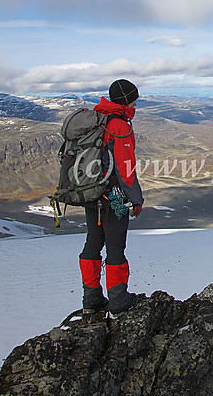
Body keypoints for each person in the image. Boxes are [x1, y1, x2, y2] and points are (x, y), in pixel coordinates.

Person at [78, 79, 144, 317]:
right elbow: (126, 169)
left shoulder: (96, 120)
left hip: (90, 192)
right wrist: (136, 200)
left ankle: (91, 299)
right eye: (134, 98)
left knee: (93, 243)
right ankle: (118, 299)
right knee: (115, 247)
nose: (137, 102)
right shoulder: (119, 126)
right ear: (126, 99)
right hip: (113, 195)